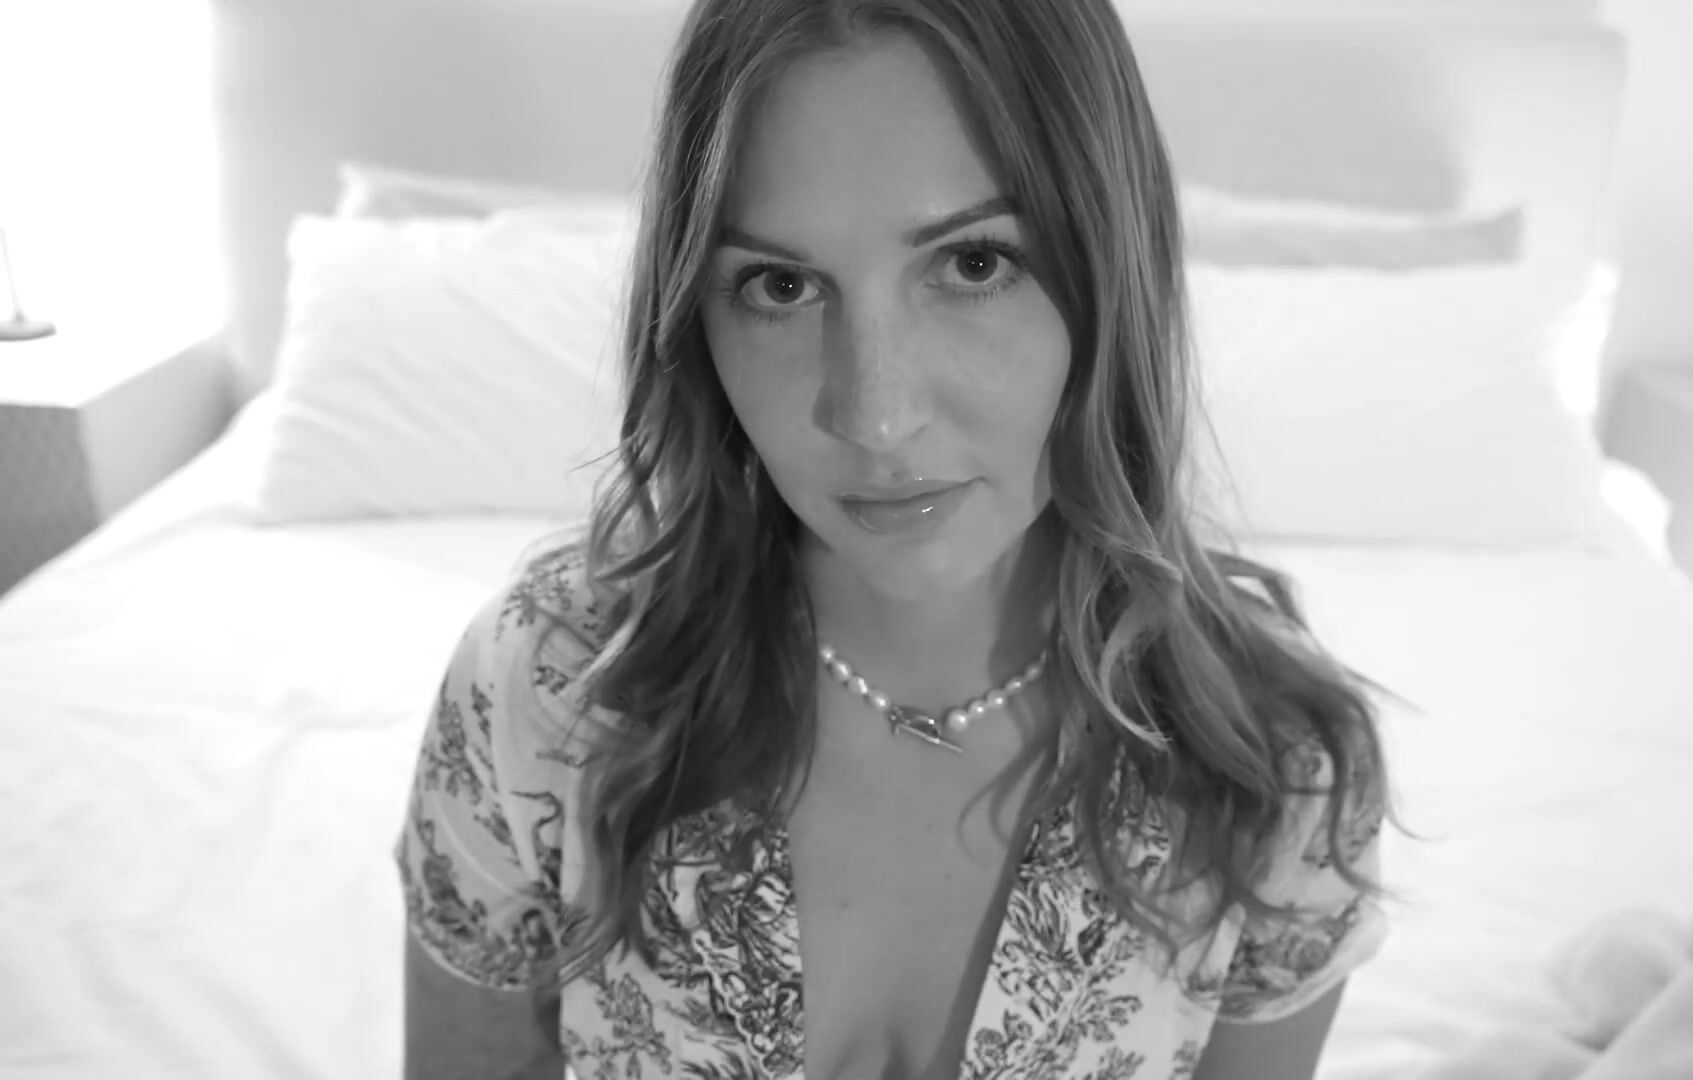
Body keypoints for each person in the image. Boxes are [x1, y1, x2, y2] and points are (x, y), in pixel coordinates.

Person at [396, 0, 1403, 1077]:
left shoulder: (1276, 764)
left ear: (1115, 269)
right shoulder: (550, 689)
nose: (874, 419)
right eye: (781, 286)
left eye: (972, 264)